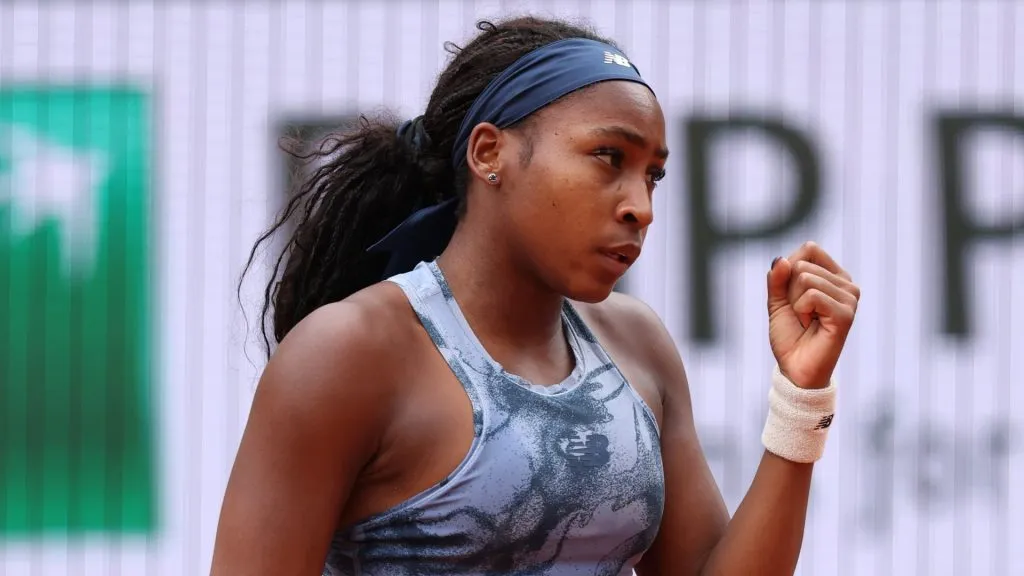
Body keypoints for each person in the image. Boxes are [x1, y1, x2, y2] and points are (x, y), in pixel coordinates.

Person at [212, 16, 860, 576]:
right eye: (609, 156)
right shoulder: (349, 352)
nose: (641, 207)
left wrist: (802, 398)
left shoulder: (638, 345)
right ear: (490, 152)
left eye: (653, 175)